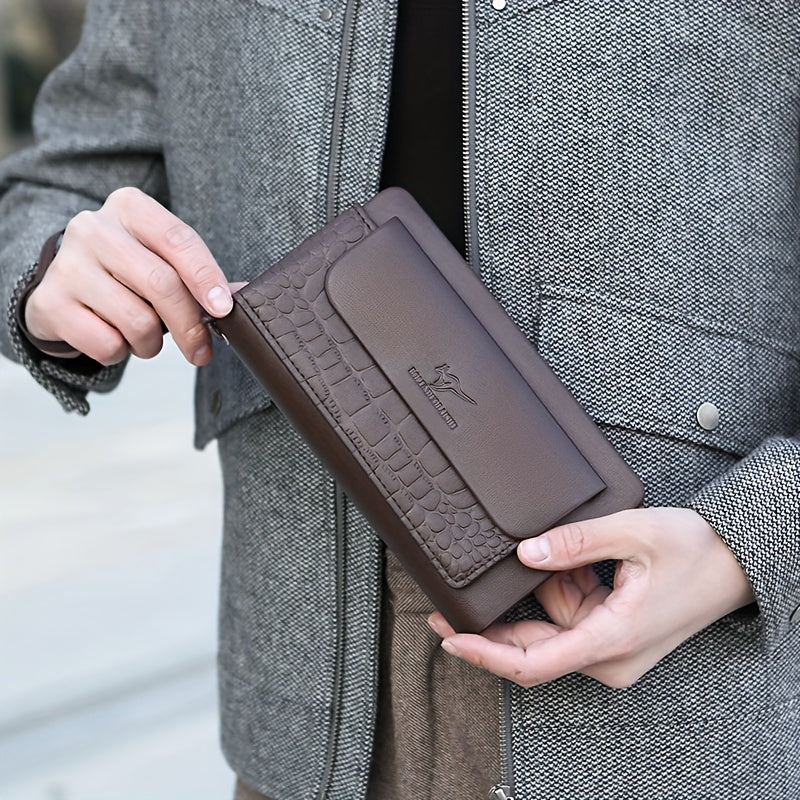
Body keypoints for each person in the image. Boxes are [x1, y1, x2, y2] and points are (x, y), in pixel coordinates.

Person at [1, 2, 798, 799]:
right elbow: (57, 184)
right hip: (302, 725)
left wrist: (751, 539)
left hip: (697, 720)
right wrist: (52, 275)